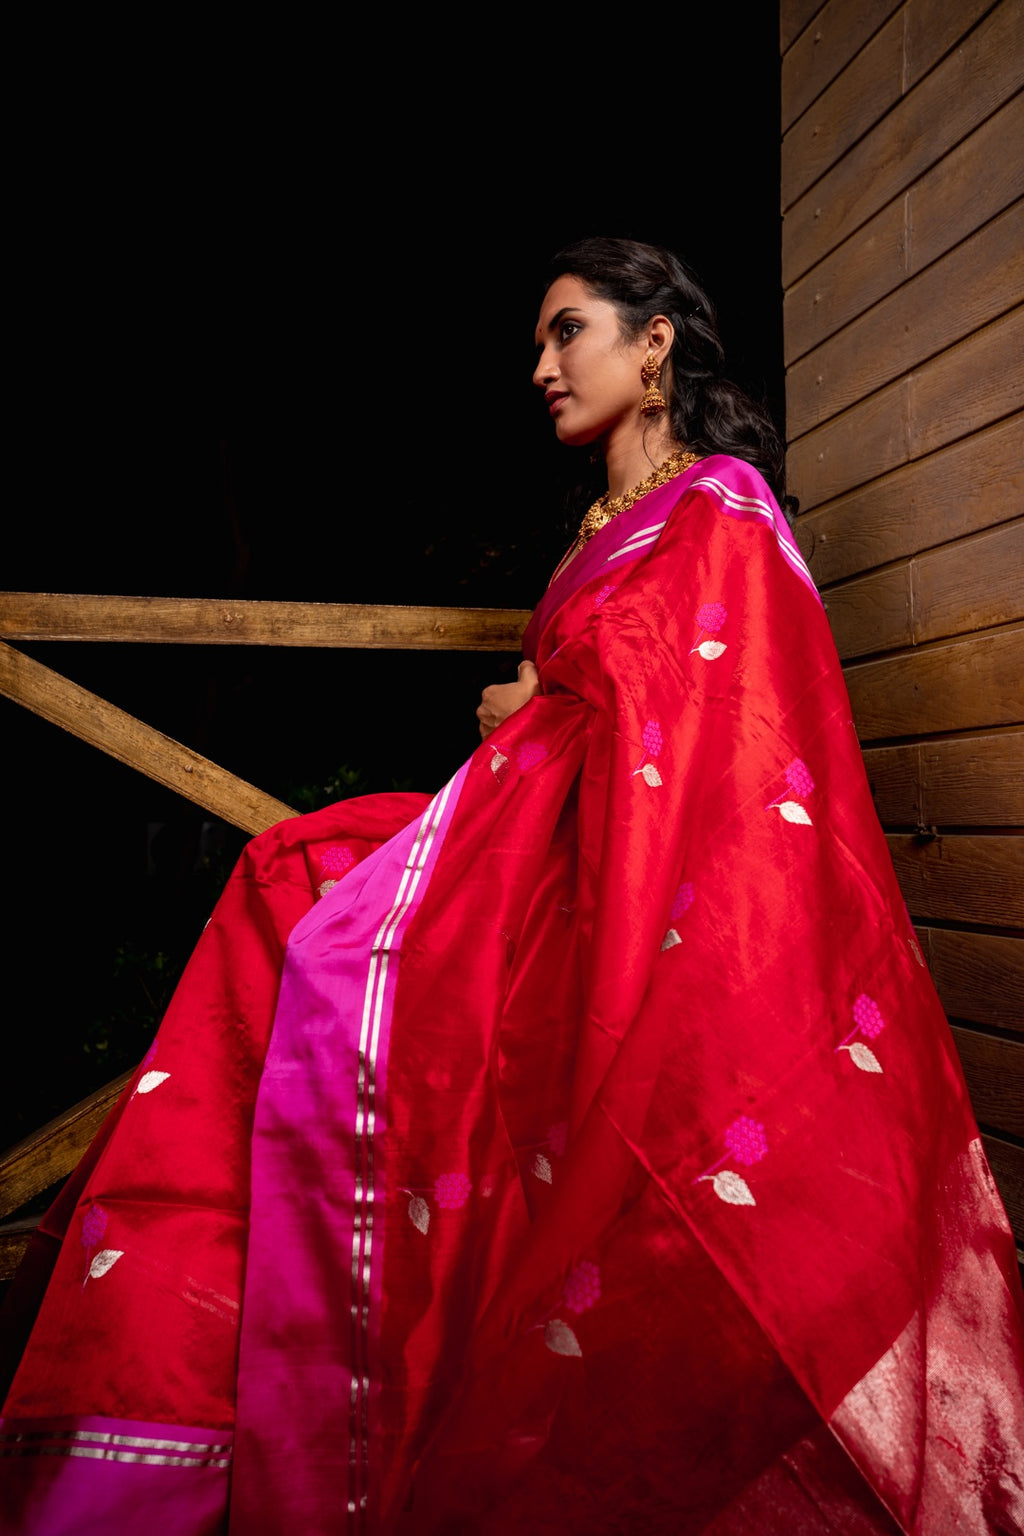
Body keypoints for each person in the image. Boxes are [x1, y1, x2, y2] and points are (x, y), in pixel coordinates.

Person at [1, 238, 1022, 1535]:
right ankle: (209, 1386)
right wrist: (535, 709)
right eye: (538, 345)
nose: (541, 367)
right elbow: (596, 682)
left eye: (567, 333)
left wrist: (544, 706)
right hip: (533, 830)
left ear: (654, 347)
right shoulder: (595, 531)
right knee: (289, 882)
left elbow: (740, 707)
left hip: (617, 867)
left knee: (309, 926)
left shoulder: (719, 506)